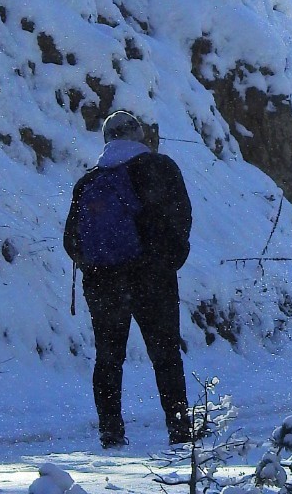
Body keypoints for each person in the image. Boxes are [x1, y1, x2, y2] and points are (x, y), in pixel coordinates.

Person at [64, 110, 193, 448]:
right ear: (137, 135)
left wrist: (98, 266)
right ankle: (179, 428)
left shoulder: (90, 181)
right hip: (152, 279)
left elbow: (71, 240)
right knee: (165, 354)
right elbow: (180, 220)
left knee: (108, 357)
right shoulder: (159, 168)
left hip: (103, 282)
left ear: (107, 139)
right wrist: (165, 262)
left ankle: (111, 431)